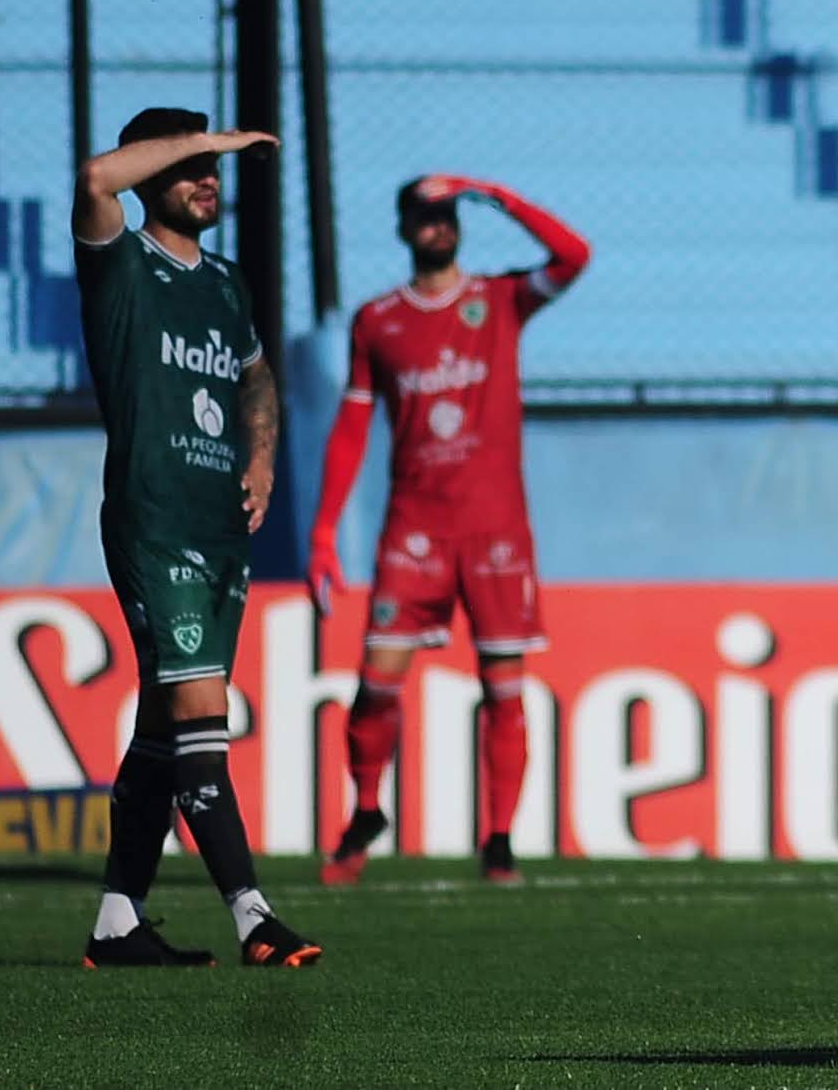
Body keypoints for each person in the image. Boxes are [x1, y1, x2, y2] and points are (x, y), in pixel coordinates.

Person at [73, 108, 321, 967]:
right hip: (153, 519)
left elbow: (255, 375)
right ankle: (253, 916)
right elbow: (95, 177)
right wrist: (209, 142)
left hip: (217, 527)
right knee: (200, 715)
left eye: (211, 163)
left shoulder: (224, 282)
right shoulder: (121, 261)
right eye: (189, 164)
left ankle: (117, 924)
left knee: (165, 728)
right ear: (153, 173)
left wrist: (261, 455)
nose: (208, 177)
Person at [308, 172, 590, 885]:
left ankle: (498, 840)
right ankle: (367, 809)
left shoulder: (499, 300)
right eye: (424, 218)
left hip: (495, 530)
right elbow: (350, 425)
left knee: (504, 687)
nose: (437, 227)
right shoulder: (378, 321)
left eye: (447, 216)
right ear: (403, 230)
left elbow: (573, 256)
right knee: (376, 681)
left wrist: (491, 192)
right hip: (415, 530)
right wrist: (323, 531)